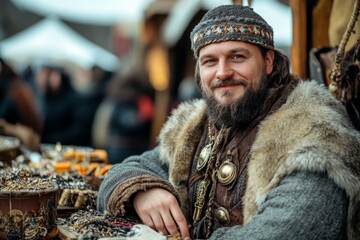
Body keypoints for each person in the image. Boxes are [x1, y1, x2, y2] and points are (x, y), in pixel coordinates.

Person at [97, 5, 360, 240]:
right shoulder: (196, 126)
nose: (222, 73)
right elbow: (128, 169)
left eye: (237, 57)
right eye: (210, 61)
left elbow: (278, 232)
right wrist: (144, 190)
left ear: (268, 62)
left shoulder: (312, 132)